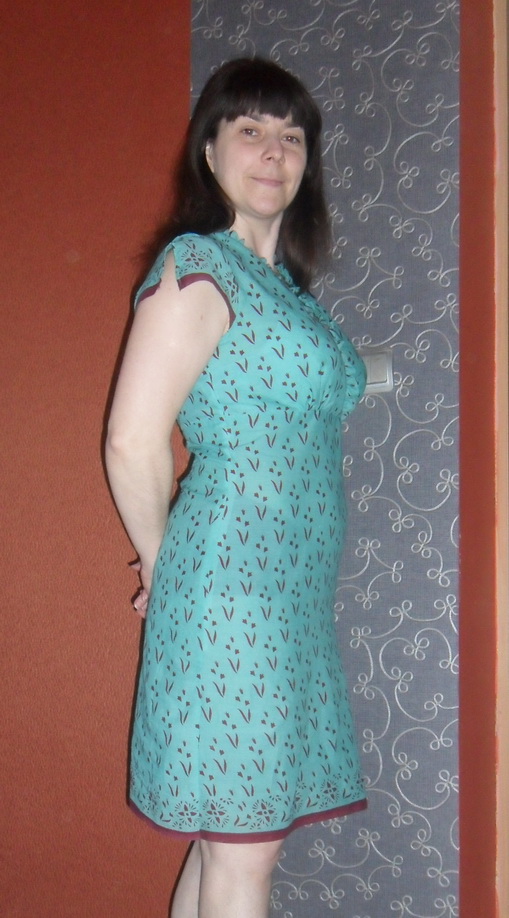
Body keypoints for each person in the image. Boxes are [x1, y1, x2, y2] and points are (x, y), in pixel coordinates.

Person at [105, 57, 367, 918]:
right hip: (231, 589)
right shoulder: (197, 265)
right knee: (244, 855)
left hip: (290, 594)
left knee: (229, 838)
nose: (273, 151)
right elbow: (132, 439)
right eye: (249, 129)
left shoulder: (285, 292)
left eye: (291, 135)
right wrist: (162, 562)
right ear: (209, 151)